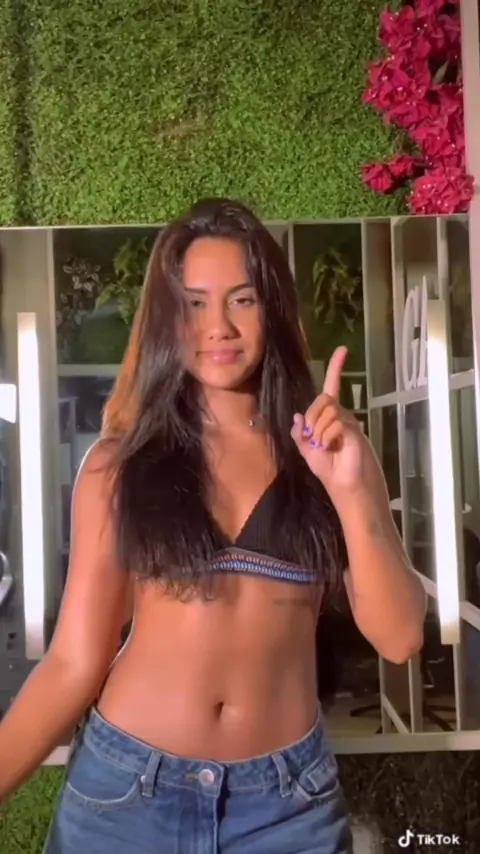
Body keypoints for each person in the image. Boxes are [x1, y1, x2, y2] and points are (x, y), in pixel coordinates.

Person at [0, 198, 426, 853]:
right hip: (127, 796)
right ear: (167, 317)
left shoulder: (330, 453)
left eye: (242, 300)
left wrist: (351, 489)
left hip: (288, 812)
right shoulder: (119, 465)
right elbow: (73, 663)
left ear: (272, 308)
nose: (218, 326)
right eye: (194, 303)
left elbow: (400, 637)